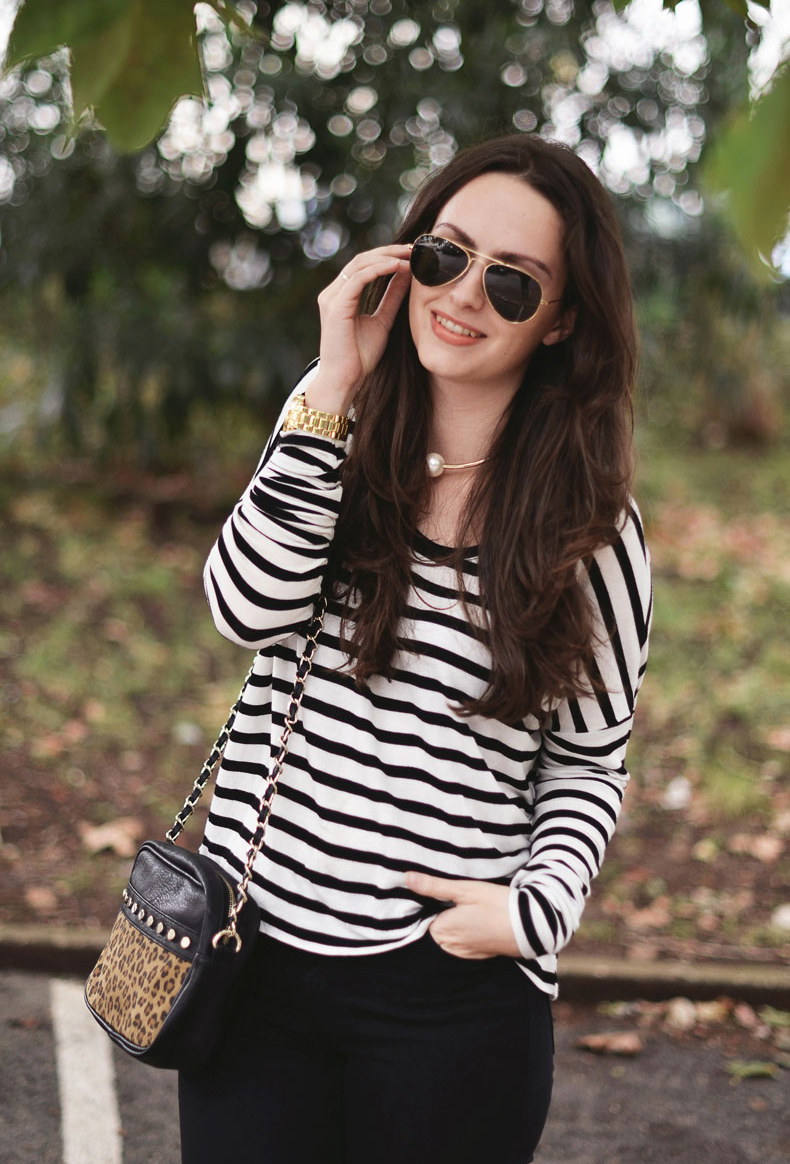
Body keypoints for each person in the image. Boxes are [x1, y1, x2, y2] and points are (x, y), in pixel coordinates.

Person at [178, 133, 652, 1164]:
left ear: (562, 319)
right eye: (447, 252)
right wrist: (332, 382)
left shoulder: (591, 528)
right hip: (253, 957)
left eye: (513, 281)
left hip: (449, 994)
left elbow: (589, 757)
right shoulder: (329, 418)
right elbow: (243, 609)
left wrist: (532, 911)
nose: (465, 293)